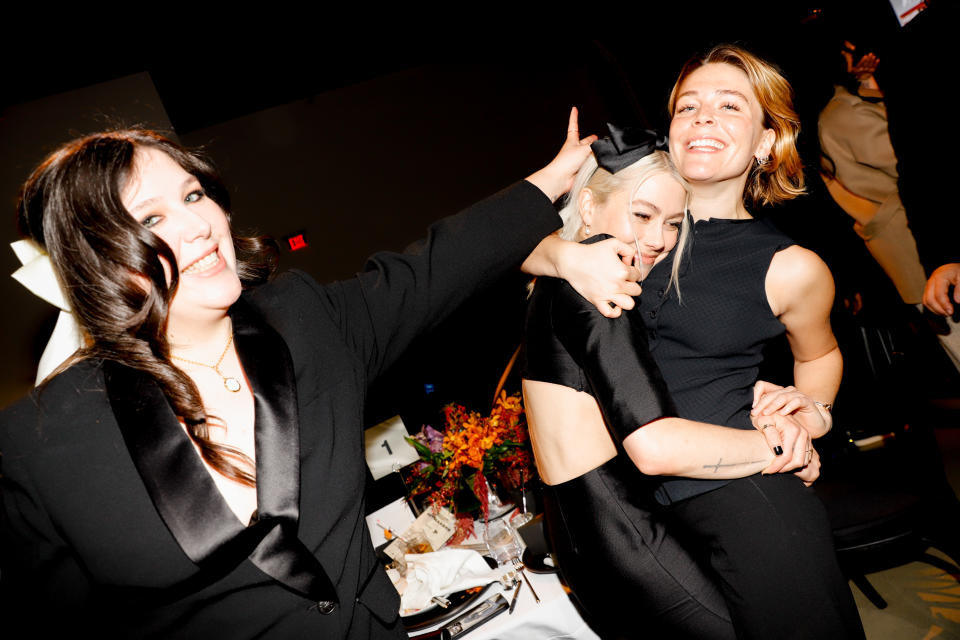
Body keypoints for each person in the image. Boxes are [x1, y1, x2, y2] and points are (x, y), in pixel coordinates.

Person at [0, 113, 634, 638]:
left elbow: (432, 270)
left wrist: (547, 183)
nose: (198, 225)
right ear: (95, 259)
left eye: (194, 196)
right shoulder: (37, 447)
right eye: (151, 219)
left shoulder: (303, 321)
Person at [522, 125, 816, 639]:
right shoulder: (598, 291)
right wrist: (782, 445)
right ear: (588, 208)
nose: (658, 239)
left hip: (583, 534)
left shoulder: (559, 279)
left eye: (673, 223)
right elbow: (653, 448)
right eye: (642, 215)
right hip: (622, 539)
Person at [628, 45, 865, 638]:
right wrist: (560, 253)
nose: (703, 117)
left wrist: (813, 417)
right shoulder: (613, 230)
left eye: (730, 105)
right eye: (688, 107)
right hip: (626, 511)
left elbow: (821, 354)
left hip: (748, 502)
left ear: (766, 140)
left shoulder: (790, 266)